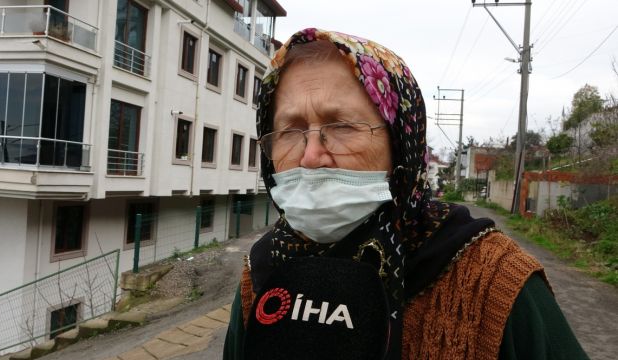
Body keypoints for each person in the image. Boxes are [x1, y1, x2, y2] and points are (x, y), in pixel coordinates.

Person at [223, 28, 588, 359]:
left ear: (401, 147)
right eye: (290, 130)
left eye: (341, 126)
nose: (311, 156)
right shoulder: (263, 269)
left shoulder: (494, 280)